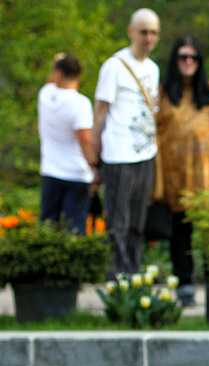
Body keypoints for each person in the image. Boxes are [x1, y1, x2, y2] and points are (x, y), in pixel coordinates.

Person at [156, 36, 209, 305]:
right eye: (183, 57)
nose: (188, 62)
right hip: (177, 175)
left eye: (193, 57)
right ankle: (185, 285)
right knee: (181, 232)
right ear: (174, 60)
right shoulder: (164, 91)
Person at [90, 7, 161, 276]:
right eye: (144, 32)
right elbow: (100, 111)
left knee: (137, 222)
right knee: (118, 221)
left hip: (146, 154)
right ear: (131, 31)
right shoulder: (114, 66)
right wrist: (93, 154)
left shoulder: (153, 69)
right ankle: (116, 278)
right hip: (119, 156)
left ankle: (133, 274)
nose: (149, 38)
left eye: (154, 32)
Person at [38, 53, 97, 235]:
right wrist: (95, 169)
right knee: (74, 230)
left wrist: (55, 63)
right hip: (77, 174)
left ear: (58, 74)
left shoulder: (46, 94)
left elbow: (51, 81)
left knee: (48, 228)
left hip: (50, 172)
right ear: (79, 76)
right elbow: (85, 140)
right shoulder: (81, 103)